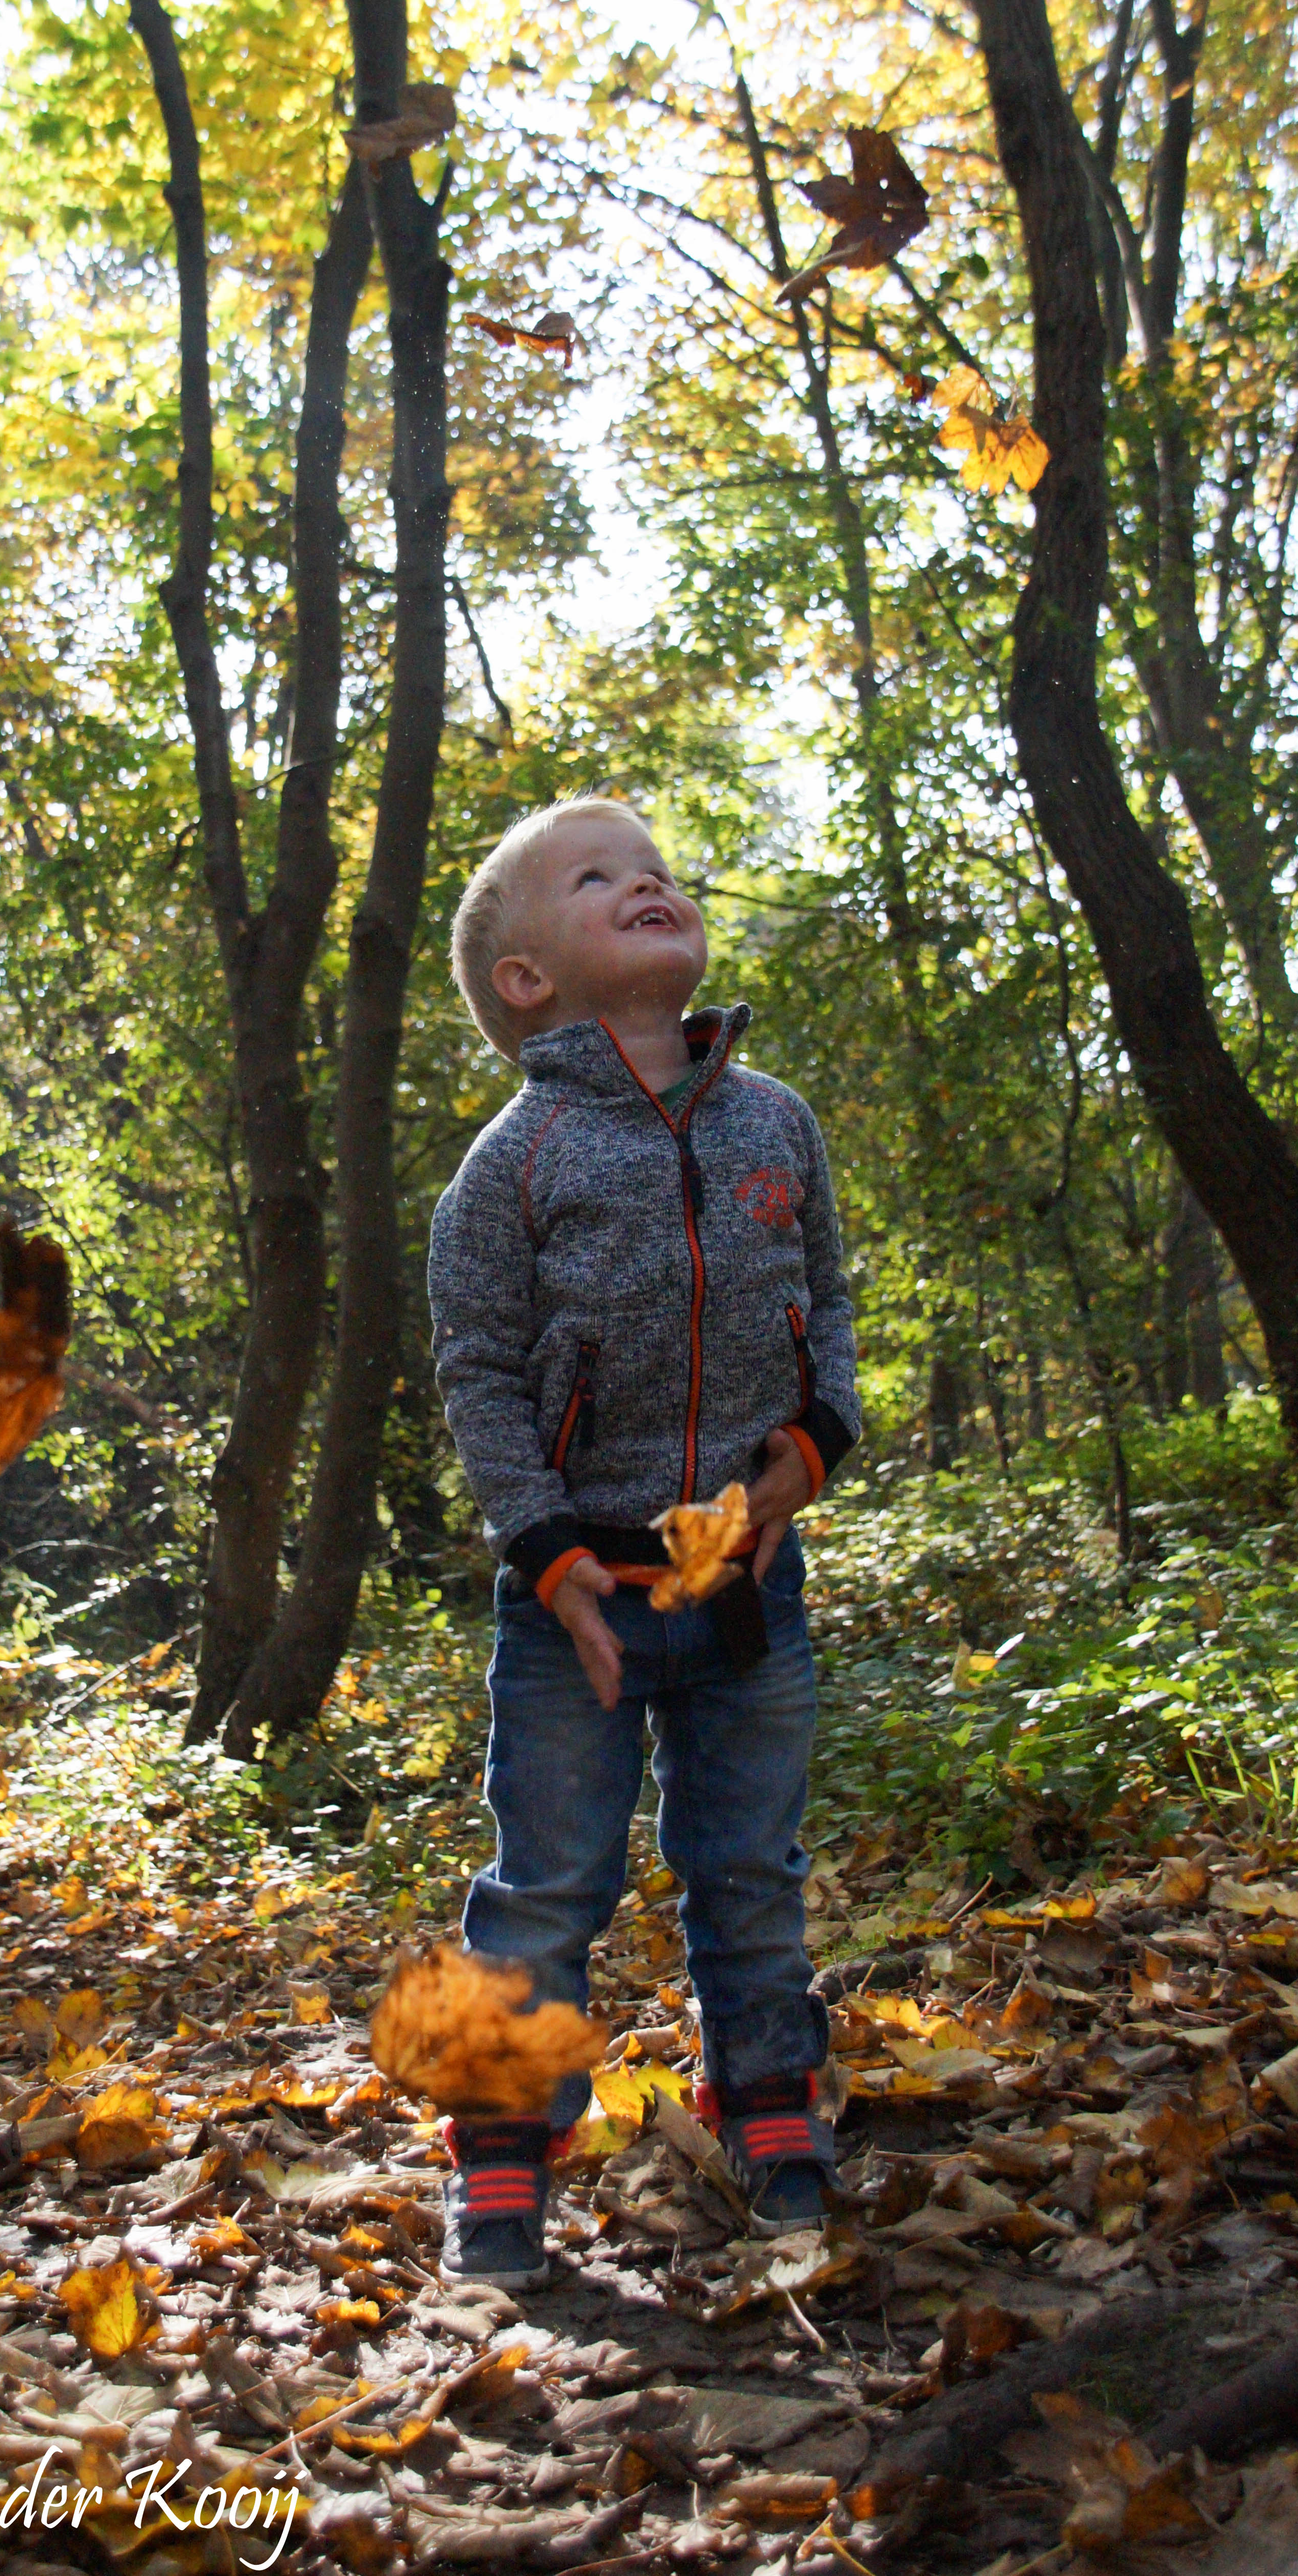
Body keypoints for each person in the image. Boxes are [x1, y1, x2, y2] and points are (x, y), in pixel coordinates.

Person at [426, 795, 860, 2290]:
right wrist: (546, 1557)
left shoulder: (777, 1124)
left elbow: (833, 1313)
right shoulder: (518, 1161)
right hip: (576, 1605)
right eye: (597, 877)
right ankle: (499, 2164)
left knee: (750, 1867)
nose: (646, 882)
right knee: (546, 1886)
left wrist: (803, 1460)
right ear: (528, 980)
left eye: (655, 868)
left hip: (750, 1585)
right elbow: (477, 1370)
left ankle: (774, 2114)